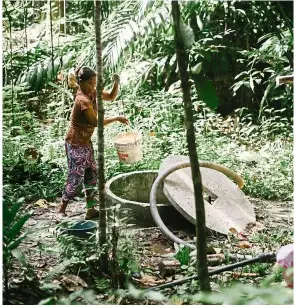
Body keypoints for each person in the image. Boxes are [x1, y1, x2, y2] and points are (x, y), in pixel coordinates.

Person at [58, 66, 129, 219]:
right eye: (90, 83)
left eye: (95, 83)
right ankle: (61, 210)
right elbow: (96, 122)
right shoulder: (82, 100)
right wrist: (116, 118)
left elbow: (110, 96)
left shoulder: (92, 92)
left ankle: (90, 210)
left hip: (85, 143)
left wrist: (116, 83)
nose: (93, 87)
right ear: (81, 83)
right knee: (75, 178)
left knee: (91, 175)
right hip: (75, 144)